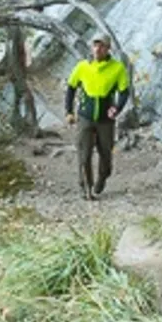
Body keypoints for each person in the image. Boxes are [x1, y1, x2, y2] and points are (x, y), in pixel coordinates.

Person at [64, 36, 130, 201]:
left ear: (108, 49)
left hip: (105, 119)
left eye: (101, 46)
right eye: (95, 46)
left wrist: (117, 108)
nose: (97, 50)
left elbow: (124, 91)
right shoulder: (82, 66)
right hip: (85, 116)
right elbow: (71, 88)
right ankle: (86, 188)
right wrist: (69, 111)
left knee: (106, 154)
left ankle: (102, 178)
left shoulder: (117, 68)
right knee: (84, 154)